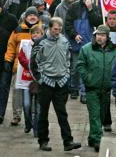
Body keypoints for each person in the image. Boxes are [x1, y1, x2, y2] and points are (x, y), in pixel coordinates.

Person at [31, 17, 81, 152]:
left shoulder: (65, 41)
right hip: (45, 83)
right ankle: (43, 141)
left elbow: (69, 59)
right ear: (49, 28)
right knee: (43, 114)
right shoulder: (40, 42)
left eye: (59, 29)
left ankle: (68, 141)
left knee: (62, 113)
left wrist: (67, 75)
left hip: (61, 83)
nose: (57, 32)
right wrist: (40, 79)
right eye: (55, 29)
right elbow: (33, 63)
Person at [76, 25, 116, 152]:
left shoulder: (114, 51)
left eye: (103, 35)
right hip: (92, 88)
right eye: (98, 35)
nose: (100, 37)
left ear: (107, 37)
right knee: (95, 115)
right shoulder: (86, 49)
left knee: (100, 115)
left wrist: (113, 82)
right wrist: (87, 78)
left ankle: (92, 137)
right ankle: (98, 140)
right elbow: (80, 65)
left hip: (106, 89)